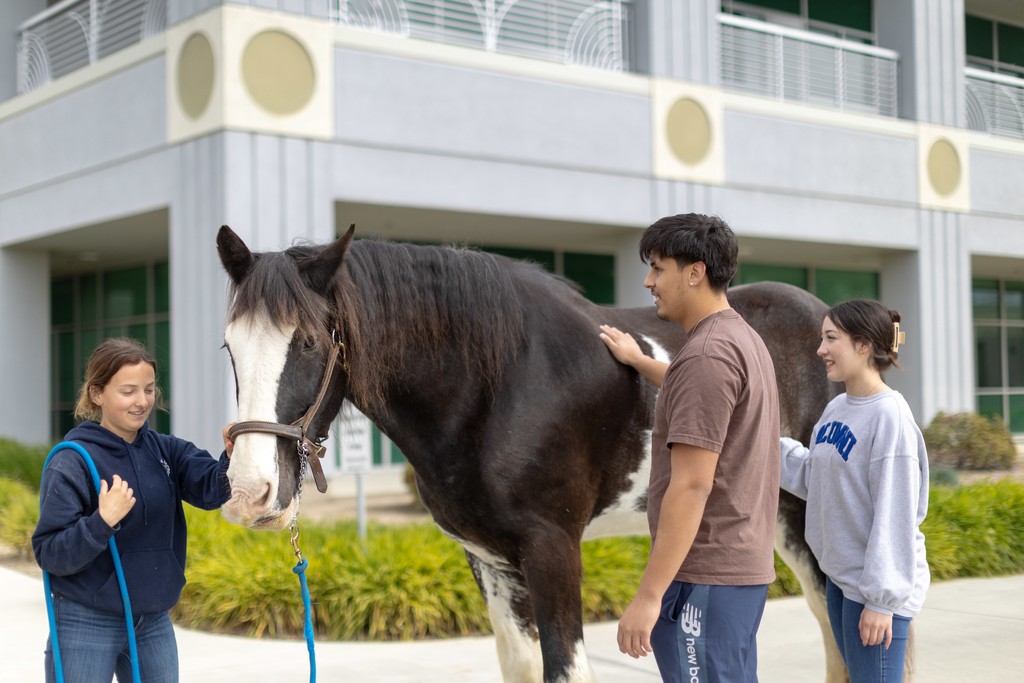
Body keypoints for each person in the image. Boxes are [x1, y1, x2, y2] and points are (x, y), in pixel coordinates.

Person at [599, 213, 780, 683]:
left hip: (705, 577)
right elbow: (698, 390)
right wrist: (640, 361)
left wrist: (649, 596)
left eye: (659, 268)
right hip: (734, 573)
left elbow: (692, 485)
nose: (648, 281)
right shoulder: (738, 339)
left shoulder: (705, 356)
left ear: (694, 272)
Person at [33, 337, 234, 683]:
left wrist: (236, 453)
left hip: (152, 621)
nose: (142, 402)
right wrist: (102, 522)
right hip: (85, 620)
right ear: (97, 393)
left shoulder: (166, 450)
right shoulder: (72, 460)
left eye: (149, 389)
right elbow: (50, 553)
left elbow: (214, 490)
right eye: (128, 391)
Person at [778, 300, 929, 683]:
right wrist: (764, 444)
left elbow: (895, 514)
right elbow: (816, 479)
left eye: (831, 339)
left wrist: (881, 602)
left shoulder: (889, 417)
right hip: (842, 582)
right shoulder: (838, 408)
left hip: (874, 595)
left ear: (863, 346)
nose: (820, 349)